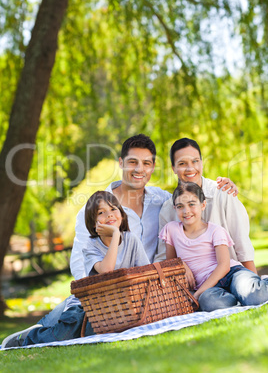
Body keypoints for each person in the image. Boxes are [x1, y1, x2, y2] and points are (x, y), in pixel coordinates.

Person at [5, 135, 236, 333]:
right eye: (132, 162)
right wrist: (103, 295)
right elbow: (79, 265)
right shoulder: (98, 209)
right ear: (120, 163)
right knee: (64, 323)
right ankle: (31, 336)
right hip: (106, 293)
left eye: (146, 163)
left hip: (148, 291)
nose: (139, 169)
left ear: (153, 167)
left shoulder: (162, 200)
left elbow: (189, 201)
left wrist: (219, 187)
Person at [2, 191, 150, 348]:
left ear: (121, 213)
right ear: (94, 223)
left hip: (119, 306)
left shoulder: (131, 240)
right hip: (86, 306)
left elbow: (146, 272)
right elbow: (107, 271)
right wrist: (114, 234)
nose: (109, 215)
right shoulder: (90, 247)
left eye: (114, 209)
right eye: (101, 212)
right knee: (62, 336)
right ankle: (27, 338)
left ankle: (47, 330)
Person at [159, 182, 268, 312]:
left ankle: (251, 289)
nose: (186, 210)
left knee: (256, 296)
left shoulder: (215, 230)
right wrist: (181, 263)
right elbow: (169, 263)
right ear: (175, 208)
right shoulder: (171, 229)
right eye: (180, 206)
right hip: (211, 287)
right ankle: (239, 297)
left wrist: (199, 292)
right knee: (209, 303)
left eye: (192, 204)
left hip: (232, 274)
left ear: (203, 205)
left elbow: (224, 265)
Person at [158, 137, 257, 275]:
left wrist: (254, 282)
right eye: (182, 163)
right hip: (196, 285)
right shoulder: (168, 210)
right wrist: (179, 265)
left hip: (232, 275)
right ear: (173, 168)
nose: (190, 168)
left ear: (202, 163)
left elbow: (242, 243)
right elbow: (165, 257)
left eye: (195, 161)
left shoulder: (223, 193)